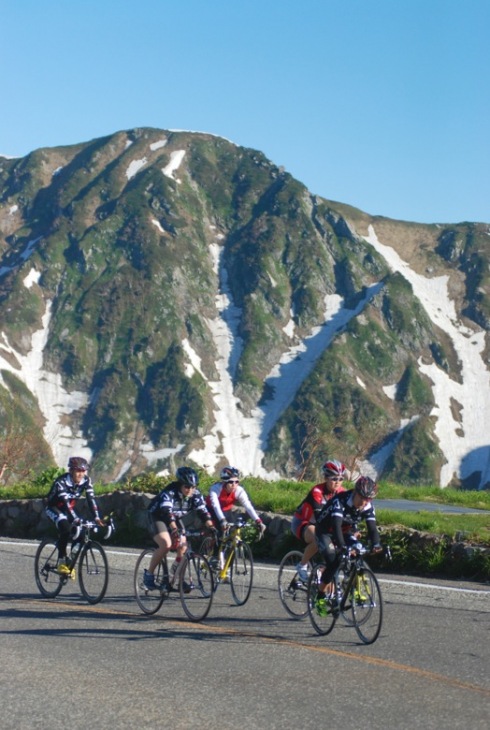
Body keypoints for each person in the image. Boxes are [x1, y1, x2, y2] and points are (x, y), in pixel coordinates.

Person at [313, 475, 382, 616]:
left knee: (359, 551)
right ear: (355, 493)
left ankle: (352, 587)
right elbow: (336, 527)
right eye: (362, 497)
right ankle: (319, 596)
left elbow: (372, 528)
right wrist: (343, 547)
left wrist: (376, 544)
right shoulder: (341, 501)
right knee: (334, 561)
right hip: (326, 531)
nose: (364, 502)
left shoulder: (367, 505)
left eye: (368, 499)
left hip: (345, 531)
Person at [144, 466, 215, 590]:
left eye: (193, 487)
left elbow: (203, 512)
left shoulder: (195, 494)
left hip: (175, 518)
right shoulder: (170, 492)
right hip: (158, 517)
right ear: (180, 485)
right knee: (166, 544)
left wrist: (211, 527)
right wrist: (174, 529)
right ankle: (149, 575)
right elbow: (167, 512)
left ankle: (176, 578)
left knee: (183, 547)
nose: (190, 490)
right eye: (187, 487)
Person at [45, 456, 104, 574]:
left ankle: (70, 562)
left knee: (82, 533)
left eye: (83, 471)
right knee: (65, 528)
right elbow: (66, 504)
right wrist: (75, 519)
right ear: (71, 471)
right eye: (78, 471)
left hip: (69, 509)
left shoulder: (86, 481)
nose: (81, 474)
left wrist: (97, 517)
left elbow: (91, 499)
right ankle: (61, 561)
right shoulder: (61, 482)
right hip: (54, 508)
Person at [291, 459, 347, 581]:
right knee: (319, 539)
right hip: (303, 522)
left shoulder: (342, 493)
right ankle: (302, 565)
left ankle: (323, 574)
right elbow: (319, 517)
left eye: (341, 479)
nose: (338, 482)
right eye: (334, 479)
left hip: (322, 524)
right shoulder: (317, 491)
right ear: (326, 478)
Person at [206, 465, 266, 539]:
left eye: (236, 482)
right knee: (217, 534)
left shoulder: (239, 490)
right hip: (211, 510)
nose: (234, 485)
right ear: (225, 482)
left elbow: (248, 506)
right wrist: (222, 520)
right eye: (231, 482)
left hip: (226, 510)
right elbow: (216, 506)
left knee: (232, 532)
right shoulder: (216, 489)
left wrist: (258, 521)